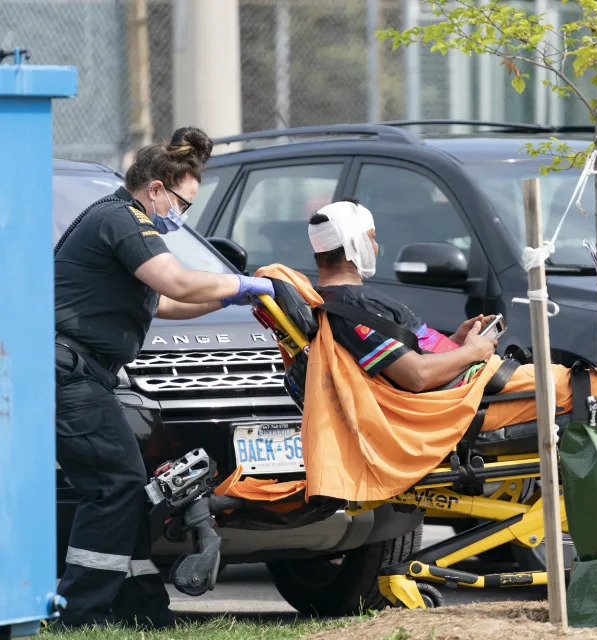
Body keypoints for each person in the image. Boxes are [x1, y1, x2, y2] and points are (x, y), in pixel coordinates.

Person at [53, 127, 275, 629]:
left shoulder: (125, 223)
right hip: (69, 374)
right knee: (114, 486)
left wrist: (231, 297)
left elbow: (168, 304)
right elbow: (175, 281)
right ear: (155, 188)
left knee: (128, 487)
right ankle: (77, 613)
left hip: (87, 375)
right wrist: (245, 281)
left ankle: (141, 608)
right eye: (182, 203)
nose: (182, 215)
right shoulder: (122, 219)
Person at [308, 200, 499, 391]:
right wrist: (472, 351)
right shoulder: (354, 307)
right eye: (372, 238)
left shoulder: (337, 299)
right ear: (356, 244)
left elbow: (409, 350)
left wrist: (456, 341)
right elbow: (418, 375)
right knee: (529, 383)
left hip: (459, 378)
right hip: (460, 392)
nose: (376, 246)